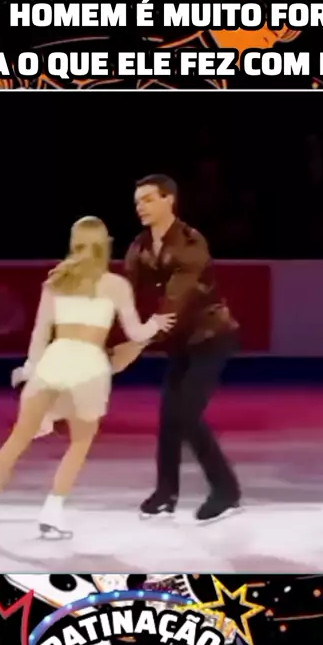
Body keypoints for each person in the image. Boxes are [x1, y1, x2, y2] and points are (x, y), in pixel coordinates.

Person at [0, 216, 175, 538]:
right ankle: (51, 515)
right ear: (105, 245)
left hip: (54, 360)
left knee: (18, 439)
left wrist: (30, 370)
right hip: (89, 367)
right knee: (79, 443)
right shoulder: (115, 285)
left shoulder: (56, 281)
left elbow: (40, 333)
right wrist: (155, 325)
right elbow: (135, 333)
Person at [112, 175, 241, 523]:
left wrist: (136, 344)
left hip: (211, 336)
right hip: (180, 342)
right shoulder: (139, 246)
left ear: (169, 199)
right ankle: (165, 494)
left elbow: (174, 304)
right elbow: (124, 296)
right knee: (169, 416)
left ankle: (226, 491)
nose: (140, 207)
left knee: (186, 414)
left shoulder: (190, 243)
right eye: (137, 201)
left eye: (148, 199)